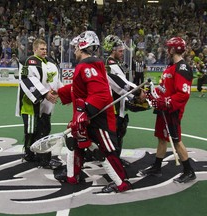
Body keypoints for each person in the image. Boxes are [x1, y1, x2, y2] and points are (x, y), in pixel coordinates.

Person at [56, 31, 132, 193]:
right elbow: (80, 89)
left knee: (105, 151)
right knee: (74, 142)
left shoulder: (87, 66)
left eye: (76, 47)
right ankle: (73, 175)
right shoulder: (87, 66)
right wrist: (60, 93)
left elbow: (100, 94)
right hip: (87, 116)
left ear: (83, 46)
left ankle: (121, 183)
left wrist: (84, 112)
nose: (75, 50)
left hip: (98, 119)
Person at [138, 37, 196, 183]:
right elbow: (164, 89)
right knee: (162, 137)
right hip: (164, 109)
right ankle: (157, 167)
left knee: (176, 140)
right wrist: (151, 93)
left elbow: (182, 95)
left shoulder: (182, 68)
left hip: (172, 111)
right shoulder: (170, 67)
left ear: (173, 49)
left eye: (168, 47)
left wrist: (165, 102)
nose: (166, 50)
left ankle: (189, 171)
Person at [16, 39, 63, 169]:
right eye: (41, 49)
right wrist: (45, 94)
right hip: (30, 105)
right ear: (34, 49)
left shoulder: (50, 63)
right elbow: (27, 81)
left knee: (44, 129)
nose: (44, 51)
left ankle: (40, 156)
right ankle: (30, 153)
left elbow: (55, 81)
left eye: (45, 49)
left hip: (45, 105)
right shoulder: (28, 62)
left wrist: (61, 92)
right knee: (32, 131)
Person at [103, 35, 147, 166]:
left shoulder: (115, 64)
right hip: (113, 107)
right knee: (114, 135)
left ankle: (115, 159)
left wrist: (133, 97)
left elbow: (123, 85)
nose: (122, 53)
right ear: (112, 50)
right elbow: (122, 84)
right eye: (120, 51)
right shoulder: (109, 65)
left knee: (119, 133)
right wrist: (137, 92)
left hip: (119, 105)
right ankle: (112, 162)